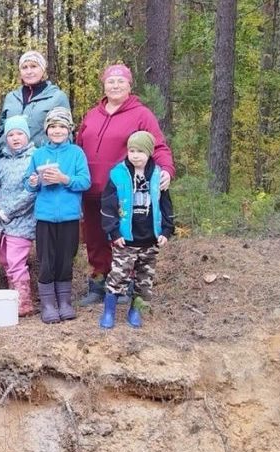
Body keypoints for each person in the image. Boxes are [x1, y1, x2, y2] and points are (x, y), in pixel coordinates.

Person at [75, 63, 174, 307]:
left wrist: (167, 170)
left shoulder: (141, 115)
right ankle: (98, 283)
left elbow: (158, 146)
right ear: (104, 85)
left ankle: (126, 284)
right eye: (110, 81)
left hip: (124, 191)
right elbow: (77, 147)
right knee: (95, 239)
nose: (115, 85)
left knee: (124, 238)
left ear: (129, 85)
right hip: (91, 190)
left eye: (121, 81)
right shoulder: (92, 114)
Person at [99, 131, 175, 328]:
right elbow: (108, 206)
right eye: (132, 150)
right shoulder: (118, 174)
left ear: (149, 153)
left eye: (140, 151)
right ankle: (109, 312)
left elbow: (166, 205)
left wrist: (166, 231)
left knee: (144, 281)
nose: (135, 155)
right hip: (126, 239)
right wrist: (114, 232)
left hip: (150, 239)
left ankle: (136, 310)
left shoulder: (159, 176)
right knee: (118, 276)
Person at [23, 108, 90, 323]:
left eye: (62, 126)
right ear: (46, 130)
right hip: (45, 217)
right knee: (46, 260)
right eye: (53, 126)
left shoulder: (77, 154)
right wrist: (33, 182)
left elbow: (85, 182)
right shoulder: (39, 154)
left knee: (65, 259)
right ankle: (48, 304)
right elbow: (28, 182)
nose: (57, 130)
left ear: (69, 129)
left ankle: (64, 302)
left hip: (70, 217)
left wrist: (64, 178)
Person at [0, 115, 37, 317]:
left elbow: (31, 191)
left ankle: (23, 301)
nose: (16, 138)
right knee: (3, 257)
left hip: (23, 219)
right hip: (1, 220)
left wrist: (9, 211)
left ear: (27, 135)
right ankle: (13, 293)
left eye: (20, 133)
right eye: (11, 134)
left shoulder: (33, 159)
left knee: (15, 259)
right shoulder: (1, 161)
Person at [0, 51, 70, 148]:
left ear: (43, 69)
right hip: (10, 160)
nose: (29, 71)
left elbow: (66, 134)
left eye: (34, 66)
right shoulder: (11, 97)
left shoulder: (57, 97)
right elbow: (1, 130)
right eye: (24, 67)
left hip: (42, 159)